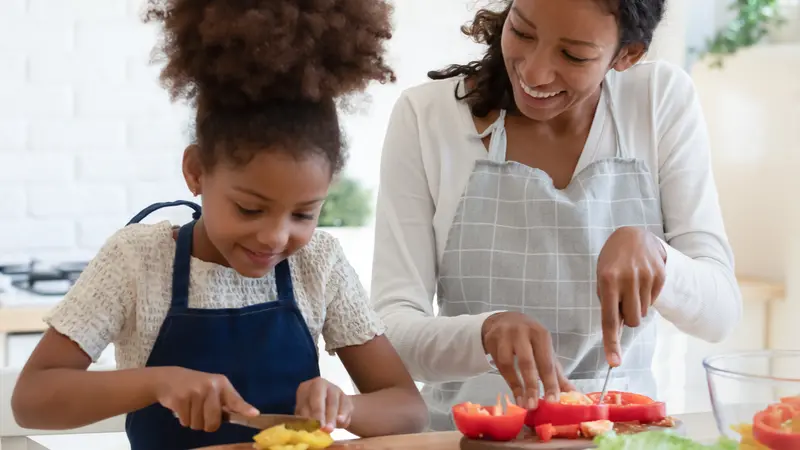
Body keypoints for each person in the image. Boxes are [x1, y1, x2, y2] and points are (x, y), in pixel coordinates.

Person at [11, 0, 428, 448]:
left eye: (304, 213)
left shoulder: (318, 262)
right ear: (196, 172)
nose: (275, 236)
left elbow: (408, 408)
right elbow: (32, 399)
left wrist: (345, 406)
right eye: (250, 209)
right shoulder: (136, 260)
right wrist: (156, 382)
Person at [370, 0, 743, 431]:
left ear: (627, 55)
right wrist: (483, 334)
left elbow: (720, 313)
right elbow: (390, 331)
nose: (533, 72)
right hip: (470, 436)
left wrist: (657, 256)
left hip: (622, 435)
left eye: (574, 55)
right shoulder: (427, 116)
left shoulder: (659, 100)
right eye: (523, 33)